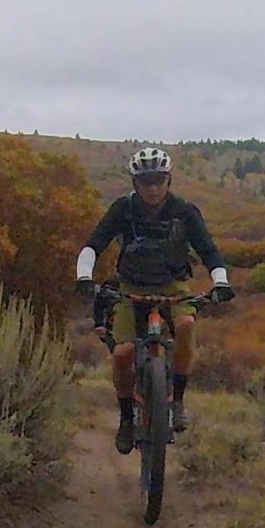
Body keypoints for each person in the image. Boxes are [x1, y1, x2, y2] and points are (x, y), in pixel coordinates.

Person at [75, 147, 234, 453]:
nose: (153, 188)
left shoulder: (184, 211)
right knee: (122, 353)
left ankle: (177, 401)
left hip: (173, 285)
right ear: (136, 183)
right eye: (146, 181)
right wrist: (84, 275)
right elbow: (94, 244)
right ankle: (125, 419)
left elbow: (209, 250)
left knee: (186, 322)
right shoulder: (123, 209)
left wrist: (221, 282)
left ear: (168, 180)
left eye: (158, 180)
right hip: (129, 286)